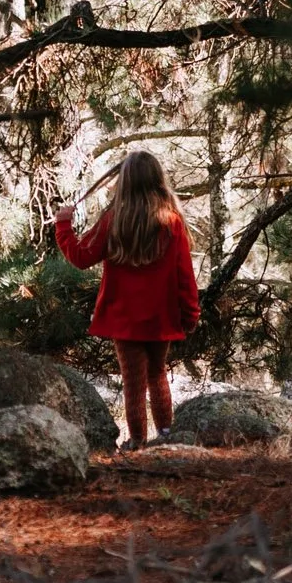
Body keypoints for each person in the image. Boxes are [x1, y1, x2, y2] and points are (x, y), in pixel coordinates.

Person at [54, 150, 200, 448]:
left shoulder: (113, 220)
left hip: (124, 318)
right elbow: (185, 276)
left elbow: (81, 257)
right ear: (158, 180)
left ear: (125, 183)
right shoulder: (172, 223)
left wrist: (63, 226)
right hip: (161, 317)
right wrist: (191, 314)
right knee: (157, 375)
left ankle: (136, 442)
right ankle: (166, 438)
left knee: (133, 382)